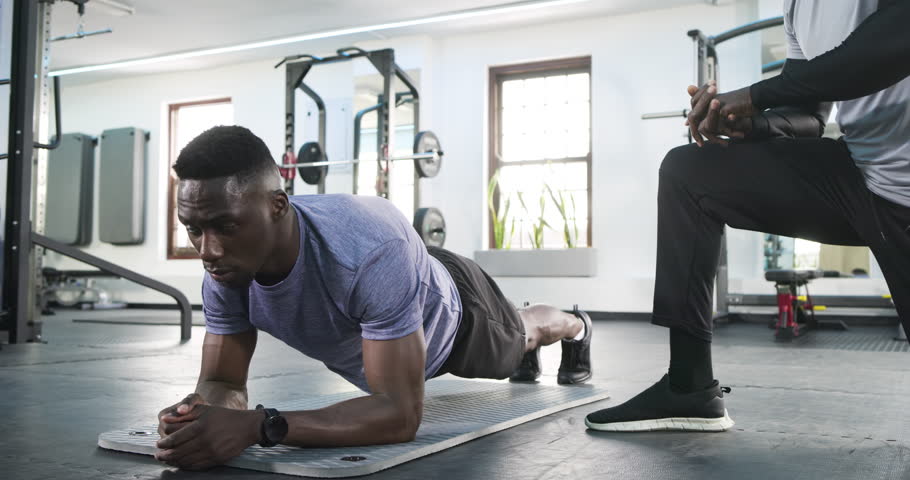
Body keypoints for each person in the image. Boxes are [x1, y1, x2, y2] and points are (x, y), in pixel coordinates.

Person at [153, 126, 593, 470]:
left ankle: (575, 324)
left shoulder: (366, 251)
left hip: (459, 315)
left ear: (278, 206)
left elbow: (400, 415)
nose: (207, 251)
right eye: (194, 228)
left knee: (523, 334)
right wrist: (196, 417)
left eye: (226, 226)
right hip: (398, 272)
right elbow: (225, 384)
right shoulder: (227, 272)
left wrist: (262, 426)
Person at [586, 0, 910, 432]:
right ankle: (689, 387)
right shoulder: (796, 9)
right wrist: (751, 124)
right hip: (861, 181)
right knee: (688, 171)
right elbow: (813, 114)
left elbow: (889, 45)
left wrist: (757, 95)